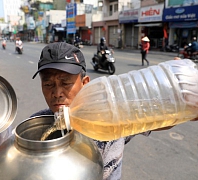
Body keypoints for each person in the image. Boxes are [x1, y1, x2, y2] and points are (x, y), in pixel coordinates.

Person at [31, 42, 149, 179]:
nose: (57, 93)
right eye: (48, 84)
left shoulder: (111, 117)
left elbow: (163, 120)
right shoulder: (36, 127)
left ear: (85, 84)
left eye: (66, 83)